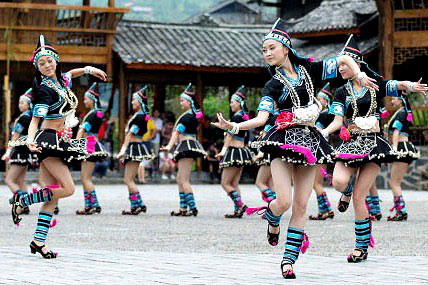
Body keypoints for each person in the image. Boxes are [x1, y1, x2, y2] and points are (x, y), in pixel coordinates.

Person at [212, 20, 378, 279]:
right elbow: (261, 118)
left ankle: (288, 261)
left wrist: (358, 75)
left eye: (270, 48)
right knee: (285, 201)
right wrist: (233, 125)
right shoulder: (272, 85)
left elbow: (344, 59)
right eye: (263, 50)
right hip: (282, 142)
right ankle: (272, 214)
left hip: (310, 142)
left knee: (301, 205)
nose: (266, 53)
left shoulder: (310, 70)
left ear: (285, 48)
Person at [321, 35, 427, 262]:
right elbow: (338, 120)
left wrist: (412, 86)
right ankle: (346, 192)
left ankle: (361, 247)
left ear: (357, 64)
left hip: (373, 145)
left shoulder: (374, 83)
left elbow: (395, 85)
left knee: (361, 197)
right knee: (338, 181)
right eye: (339, 65)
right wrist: (325, 132)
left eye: (344, 64)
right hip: (350, 144)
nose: (340, 68)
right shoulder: (340, 92)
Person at [9, 34, 107, 258]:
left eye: (49, 61)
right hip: (48, 141)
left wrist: (89, 69)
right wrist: (32, 140)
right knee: (69, 188)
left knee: (52, 196)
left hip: (60, 140)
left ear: (55, 60)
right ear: (37, 67)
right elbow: (35, 120)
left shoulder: (62, 81)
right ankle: (22, 199)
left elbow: (71, 73)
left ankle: (38, 242)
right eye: (41, 63)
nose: (46, 65)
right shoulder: (44, 90)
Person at [161, 83, 206, 217]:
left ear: (189, 102)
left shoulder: (187, 116)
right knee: (180, 178)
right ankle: (183, 208)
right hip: (188, 145)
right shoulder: (191, 115)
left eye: (182, 100)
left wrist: (169, 146)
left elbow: (176, 132)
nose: (181, 103)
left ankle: (192, 207)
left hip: (186, 145)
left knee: (184, 179)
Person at [217, 86, 253, 218]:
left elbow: (229, 135)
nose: (230, 104)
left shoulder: (237, 118)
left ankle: (240, 205)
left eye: (232, 102)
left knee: (225, 183)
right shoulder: (243, 117)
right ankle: (238, 210)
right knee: (234, 184)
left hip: (234, 151)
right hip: (242, 151)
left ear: (239, 103)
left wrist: (223, 151)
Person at [116, 86, 154, 215]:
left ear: (140, 102)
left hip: (133, 147)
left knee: (128, 179)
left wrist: (123, 149)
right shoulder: (141, 115)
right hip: (136, 147)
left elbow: (129, 135)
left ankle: (139, 204)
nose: (132, 102)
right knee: (129, 179)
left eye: (134, 100)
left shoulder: (139, 117)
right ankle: (135, 206)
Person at [385, 91, 420, 221]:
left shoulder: (401, 113)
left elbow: (396, 132)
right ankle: (401, 210)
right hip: (403, 147)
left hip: (401, 146)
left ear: (400, 100)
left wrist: (394, 148)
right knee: (395, 181)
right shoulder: (402, 112)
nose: (392, 101)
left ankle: (401, 211)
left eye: (394, 99)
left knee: (394, 182)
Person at [75, 83, 109, 215]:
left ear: (92, 99)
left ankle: (94, 204)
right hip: (93, 143)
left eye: (85, 99)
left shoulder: (91, 114)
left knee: (86, 178)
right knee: (85, 177)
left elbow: (82, 130)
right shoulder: (97, 113)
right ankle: (88, 205)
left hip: (88, 143)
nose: (84, 101)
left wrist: (76, 145)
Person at [2, 89, 37, 215]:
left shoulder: (22, 119)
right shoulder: (31, 117)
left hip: (19, 152)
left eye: (22, 103)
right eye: (19, 102)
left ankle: (24, 201)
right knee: (21, 180)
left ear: (28, 104)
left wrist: (7, 152)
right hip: (26, 152)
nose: (19, 105)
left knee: (9, 180)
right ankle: (24, 206)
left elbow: (15, 137)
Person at [309, 84, 335, 220]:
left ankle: (325, 211)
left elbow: (317, 134)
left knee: (316, 183)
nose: (317, 101)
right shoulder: (326, 115)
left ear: (326, 101)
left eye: (320, 99)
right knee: (317, 183)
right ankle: (327, 209)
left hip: (319, 150)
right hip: (322, 150)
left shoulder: (323, 116)